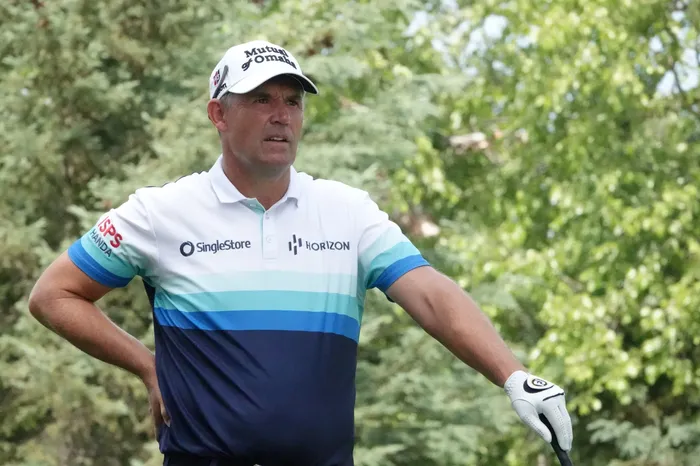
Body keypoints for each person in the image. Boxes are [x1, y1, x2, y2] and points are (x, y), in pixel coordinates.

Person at [28, 40, 574, 466]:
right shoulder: (159, 211)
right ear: (219, 114)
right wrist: (149, 367)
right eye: (261, 100)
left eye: (292, 101)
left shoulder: (347, 210)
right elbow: (54, 295)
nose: (281, 115)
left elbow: (429, 293)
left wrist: (513, 375)